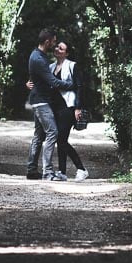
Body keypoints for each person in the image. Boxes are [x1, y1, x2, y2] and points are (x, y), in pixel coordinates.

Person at [26, 29, 73, 181]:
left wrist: (30, 82)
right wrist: (70, 85)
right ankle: (48, 172)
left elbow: (37, 77)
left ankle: (32, 169)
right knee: (53, 132)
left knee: (39, 136)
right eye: (53, 41)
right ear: (47, 41)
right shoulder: (39, 58)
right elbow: (52, 81)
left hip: (39, 99)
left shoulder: (38, 55)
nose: (54, 45)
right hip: (41, 101)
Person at [50, 41, 89, 182]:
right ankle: (62, 172)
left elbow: (79, 86)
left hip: (69, 107)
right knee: (60, 140)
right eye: (57, 47)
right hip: (55, 108)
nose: (57, 49)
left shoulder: (72, 66)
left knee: (61, 140)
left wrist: (78, 107)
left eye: (61, 48)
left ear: (66, 53)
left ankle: (81, 169)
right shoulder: (51, 67)